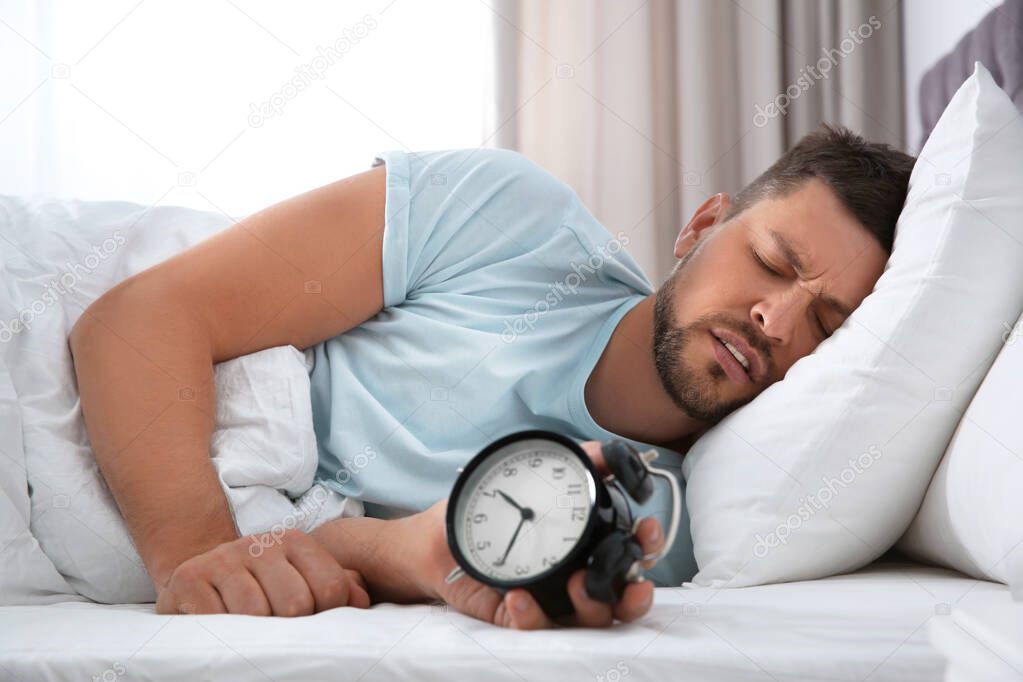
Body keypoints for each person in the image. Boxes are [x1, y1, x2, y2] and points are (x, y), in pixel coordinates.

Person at [69, 124, 915, 630]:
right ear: (700, 226)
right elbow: (136, 322)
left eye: (829, 324)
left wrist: (399, 555)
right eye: (771, 262)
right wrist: (199, 558)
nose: (776, 318)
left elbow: (335, 550)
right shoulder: (512, 218)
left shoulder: (665, 526)